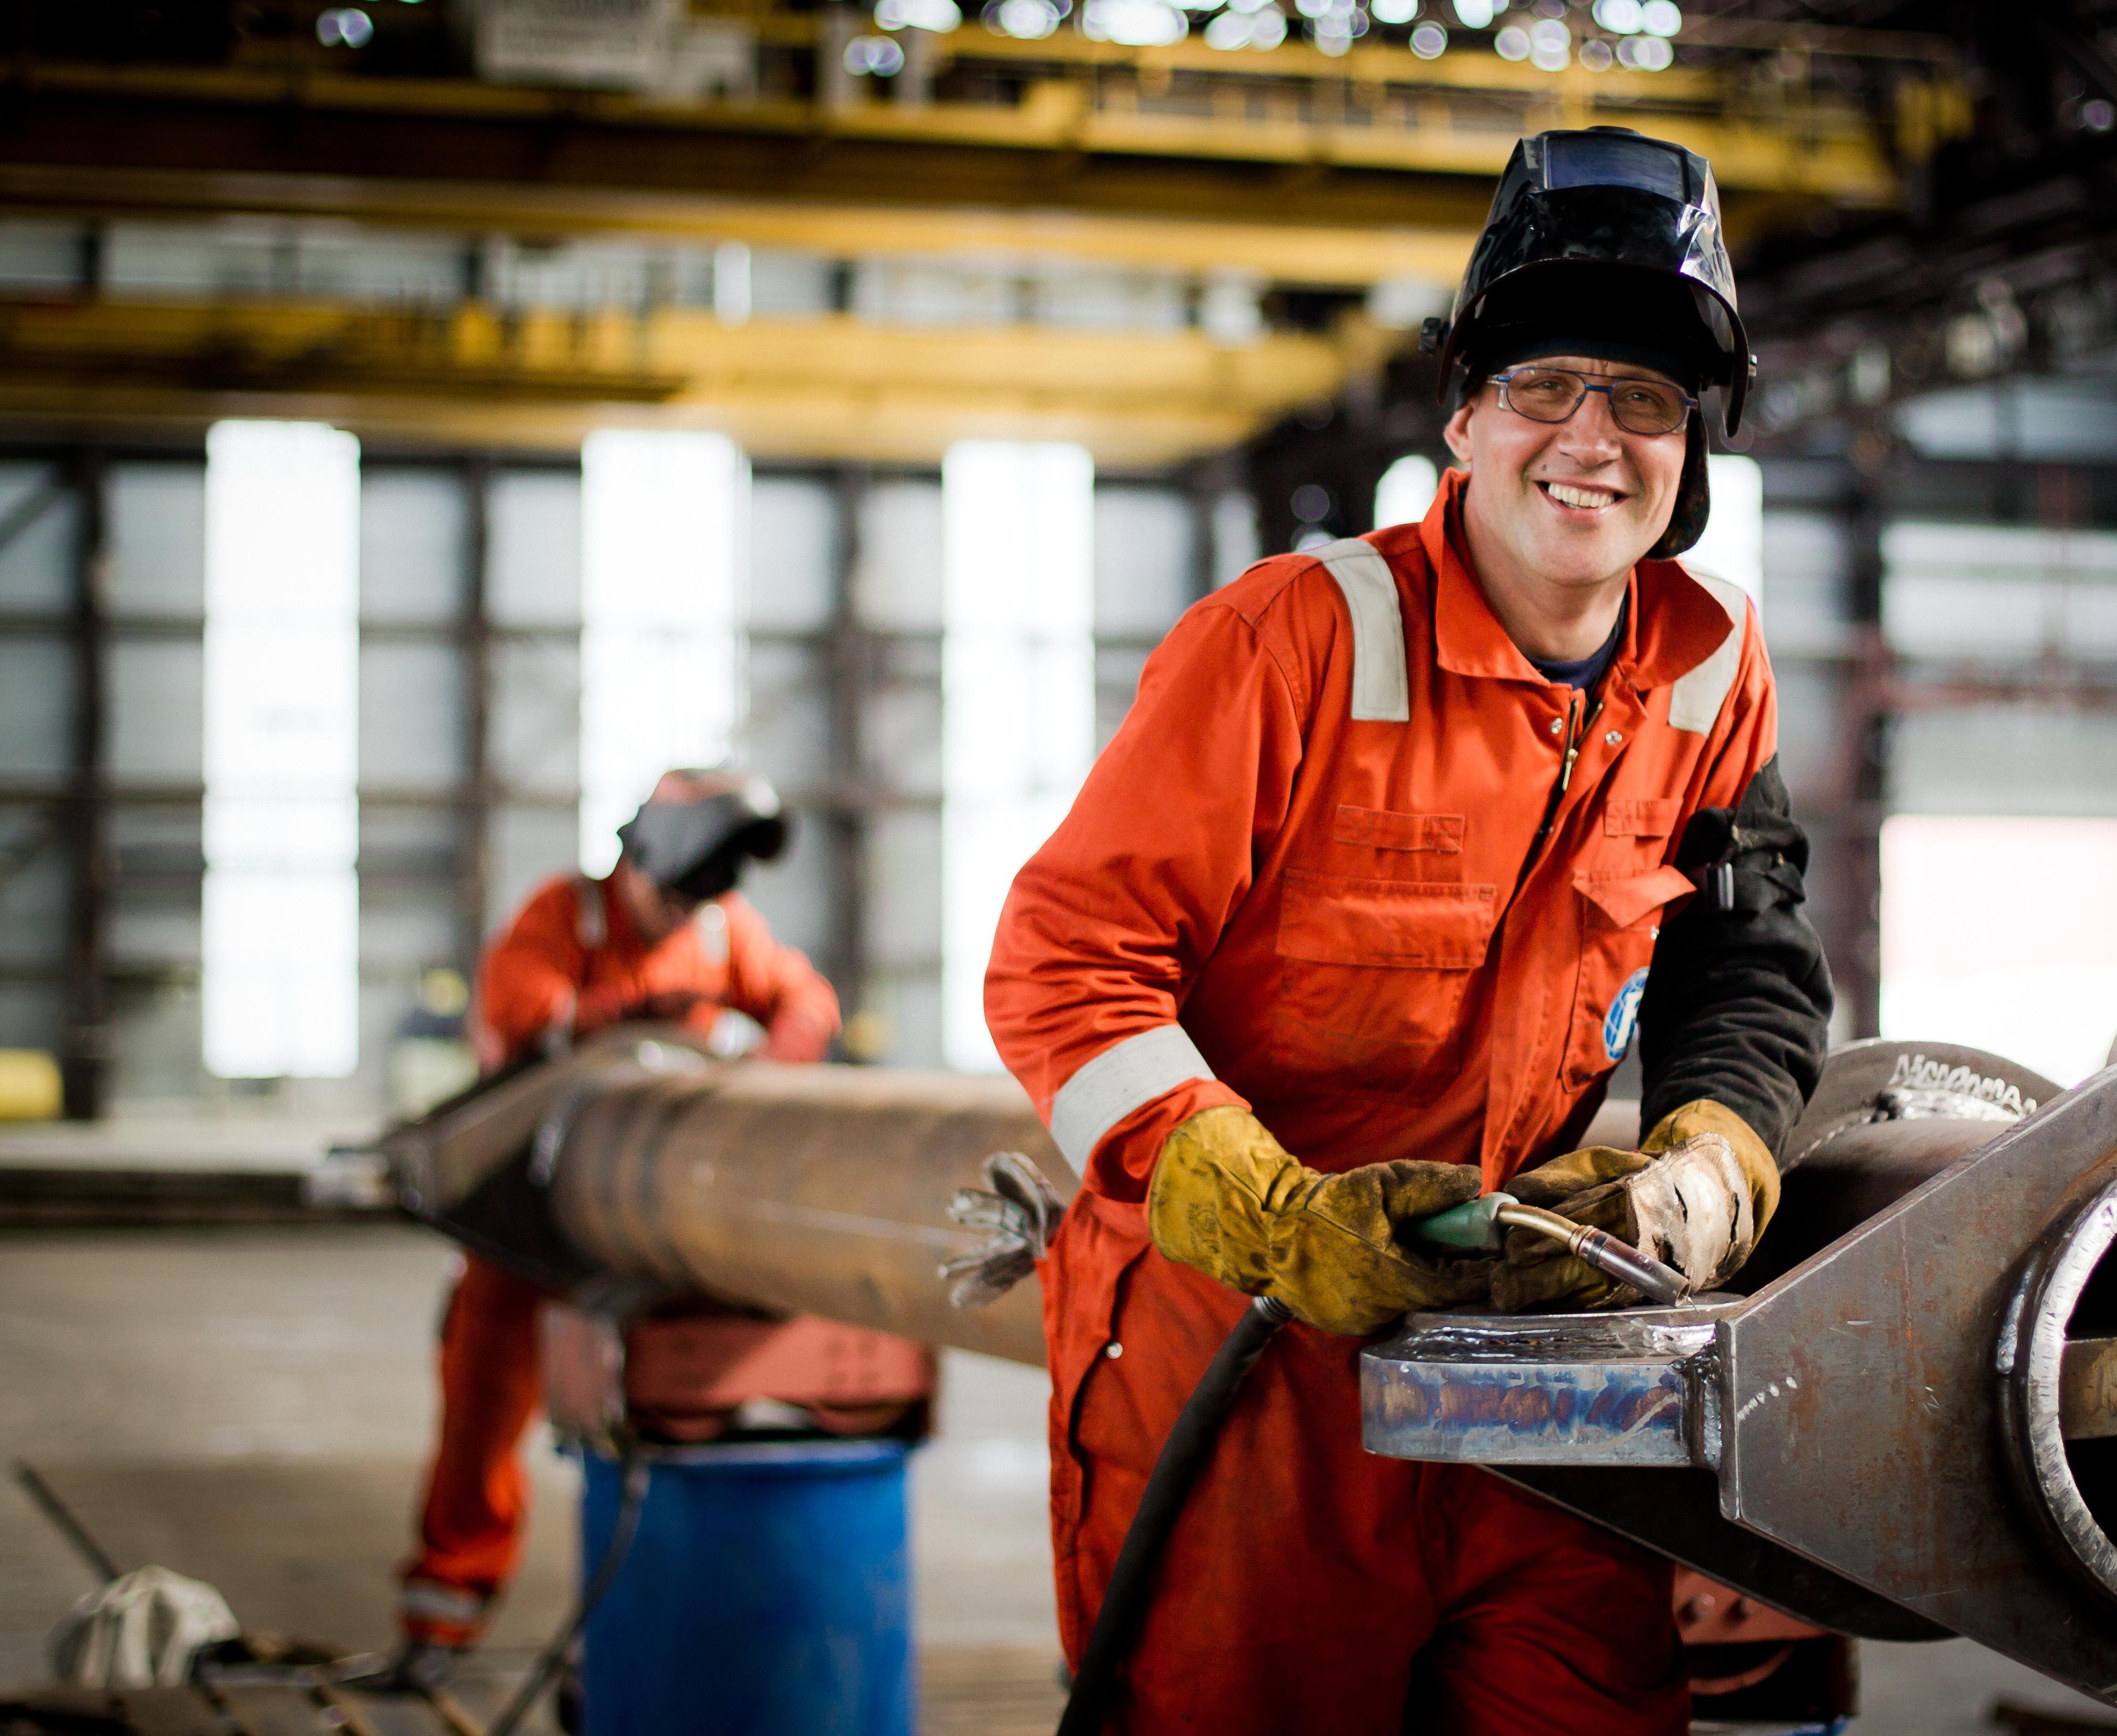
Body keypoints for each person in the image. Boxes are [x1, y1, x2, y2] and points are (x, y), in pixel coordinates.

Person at [987, 128, 1833, 1733]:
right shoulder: (1287, 645)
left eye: (1646, 398)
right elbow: (1067, 963)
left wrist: (1711, 1158)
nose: (1594, 438)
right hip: (1244, 1362)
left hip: (1540, 1361)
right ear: (1464, 419)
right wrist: (1259, 1206)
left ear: (1692, 451)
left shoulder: (1713, 664)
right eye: (1545, 386)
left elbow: (1751, 958)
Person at [384, 769, 842, 1685]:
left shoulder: (722, 929)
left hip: (655, 1225)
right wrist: (639, 1014)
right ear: (637, 862)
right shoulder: (565, 916)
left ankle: (634, 1642)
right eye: (672, 897)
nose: (683, 919)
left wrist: (755, 1062)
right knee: (482, 1403)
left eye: (699, 902)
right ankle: (443, 1617)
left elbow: (808, 1005)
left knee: (662, 1421)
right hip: (534, 1221)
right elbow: (515, 1019)